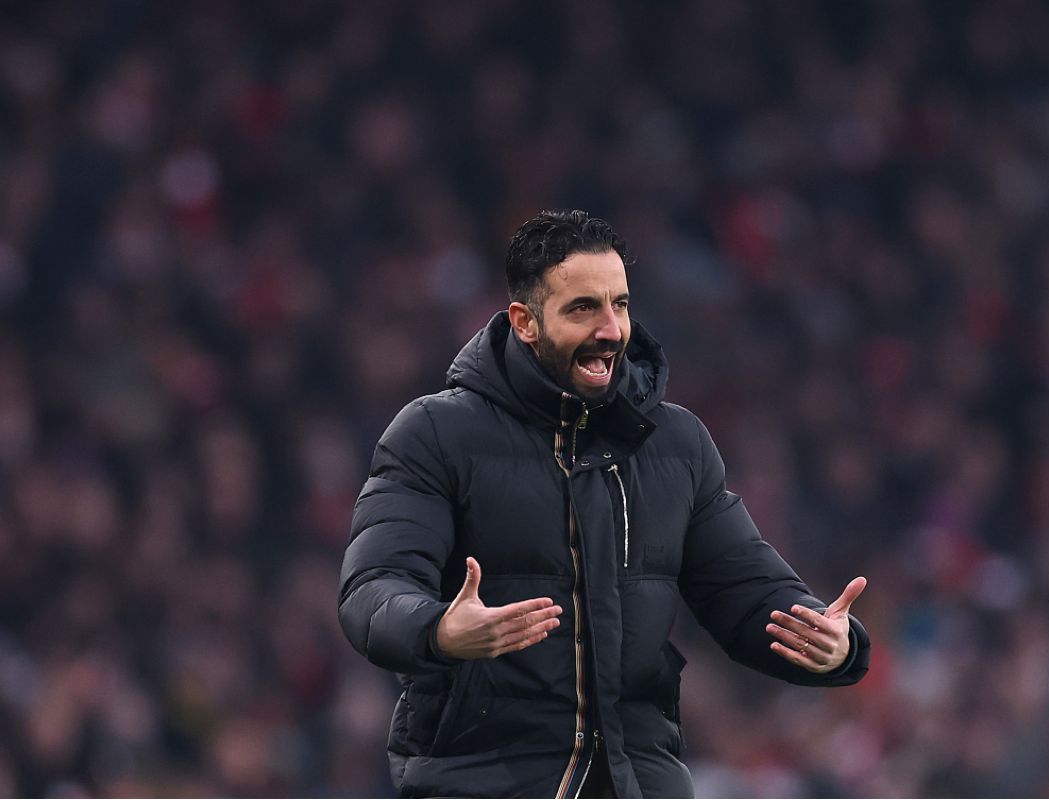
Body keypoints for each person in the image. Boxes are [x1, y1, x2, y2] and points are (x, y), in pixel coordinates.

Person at [338, 210, 871, 798]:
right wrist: (438, 629)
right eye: (583, 307)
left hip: (638, 781)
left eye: (619, 304)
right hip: (481, 782)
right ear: (525, 322)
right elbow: (372, 590)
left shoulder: (677, 443)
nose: (612, 329)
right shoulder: (435, 434)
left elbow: (745, 592)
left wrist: (831, 642)